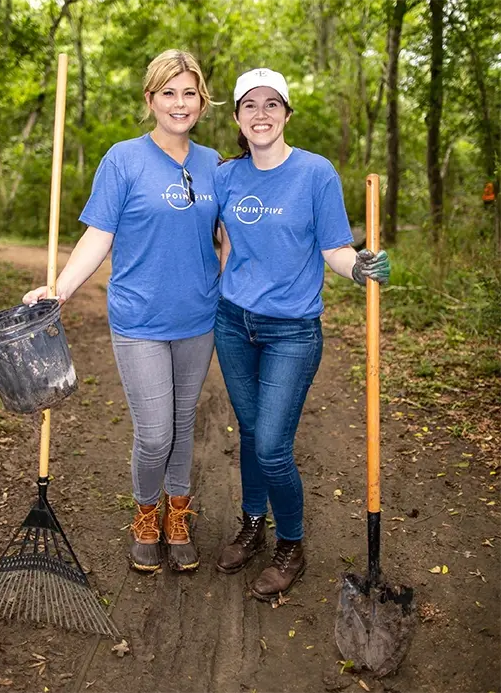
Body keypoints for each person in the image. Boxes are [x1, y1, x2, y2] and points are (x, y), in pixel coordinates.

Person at [23, 50, 221, 574]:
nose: (180, 103)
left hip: (199, 317)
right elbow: (99, 235)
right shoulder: (123, 159)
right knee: (155, 431)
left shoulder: (214, 163)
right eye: (168, 92)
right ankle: (144, 514)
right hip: (139, 319)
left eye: (189, 92)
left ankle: (178, 514)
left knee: (182, 423)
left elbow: (227, 237)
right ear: (150, 99)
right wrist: (59, 289)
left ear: (202, 99)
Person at [214, 68, 390, 601]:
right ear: (239, 119)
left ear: (287, 114)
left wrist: (358, 267)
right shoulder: (225, 176)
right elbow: (201, 237)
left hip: (292, 329)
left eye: (272, 104)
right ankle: (253, 523)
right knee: (249, 433)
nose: (261, 113)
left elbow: (335, 247)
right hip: (232, 323)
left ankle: (291, 541)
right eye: (250, 105)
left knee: (271, 445)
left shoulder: (316, 173)